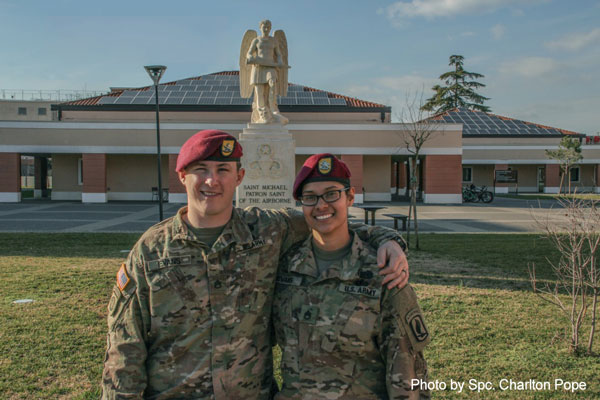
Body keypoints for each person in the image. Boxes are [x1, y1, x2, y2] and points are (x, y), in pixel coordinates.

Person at [101, 130, 409, 399]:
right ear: (182, 176)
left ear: (239, 177)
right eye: (200, 169)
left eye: (223, 169)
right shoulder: (151, 251)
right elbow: (125, 348)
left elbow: (326, 217)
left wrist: (388, 239)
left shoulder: (267, 230)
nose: (212, 180)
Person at [273, 153, 430, 399]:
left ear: (350, 197)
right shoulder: (284, 269)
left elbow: (407, 375)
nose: (321, 205)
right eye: (310, 197)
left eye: (331, 194)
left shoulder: (383, 272)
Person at [243, 19, 288, 124]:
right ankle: (263, 114)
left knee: (272, 84)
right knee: (259, 92)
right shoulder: (256, 40)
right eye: (264, 27)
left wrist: (280, 62)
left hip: (270, 67)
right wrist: (250, 58)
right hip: (258, 67)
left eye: (268, 27)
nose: (266, 29)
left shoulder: (273, 40)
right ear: (260, 27)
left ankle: (273, 109)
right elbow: (249, 53)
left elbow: (279, 55)